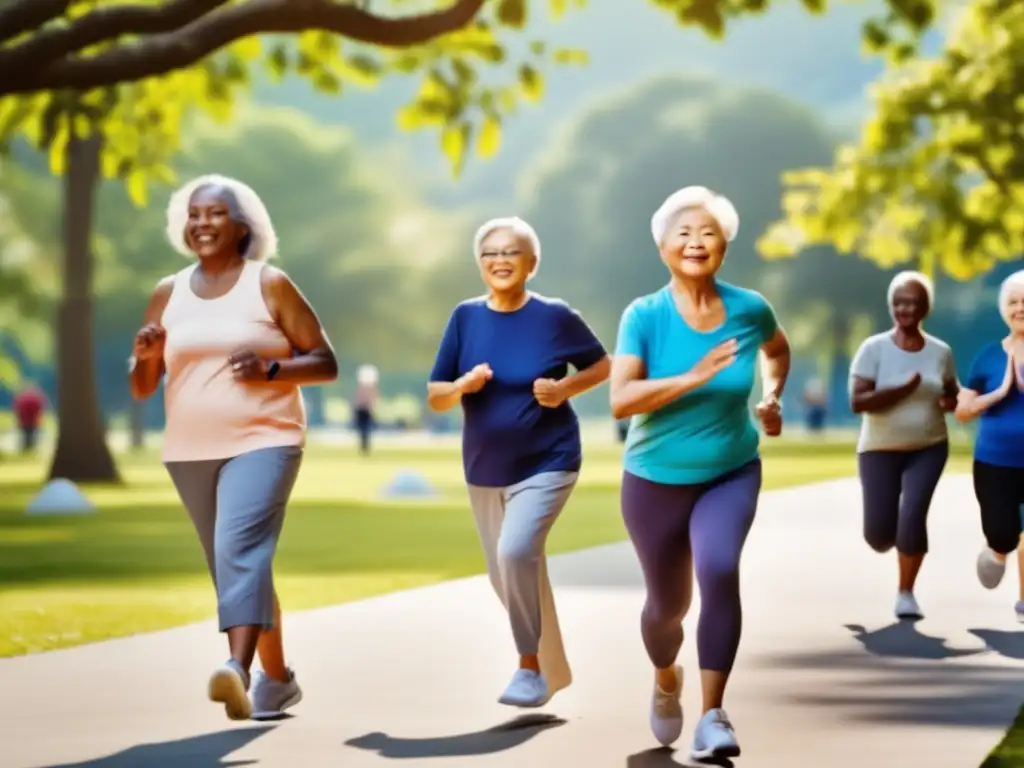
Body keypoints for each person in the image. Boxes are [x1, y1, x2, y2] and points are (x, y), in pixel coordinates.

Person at [128, 174, 338, 721]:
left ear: (242, 225)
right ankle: (279, 680)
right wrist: (148, 354)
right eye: (194, 214)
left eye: (215, 213)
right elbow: (142, 387)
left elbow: (324, 362)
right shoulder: (167, 292)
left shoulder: (269, 284)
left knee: (239, 551)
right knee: (234, 567)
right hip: (189, 449)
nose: (202, 223)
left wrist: (271, 369)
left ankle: (236, 671)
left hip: (265, 440)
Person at [609, 186, 790, 760]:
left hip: (729, 470)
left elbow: (778, 351)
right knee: (667, 611)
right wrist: (694, 374)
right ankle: (667, 677)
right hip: (654, 478)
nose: (695, 242)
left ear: (724, 246)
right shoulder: (644, 315)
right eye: (683, 233)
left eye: (708, 233)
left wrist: (773, 395)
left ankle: (713, 715)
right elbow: (621, 399)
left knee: (719, 569)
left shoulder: (750, 308)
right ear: (662, 246)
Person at [426, 216, 611, 708]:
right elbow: (435, 395)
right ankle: (554, 670)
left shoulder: (554, 316)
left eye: (512, 252)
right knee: (505, 571)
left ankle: (528, 669)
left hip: (549, 459)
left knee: (515, 553)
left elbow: (603, 364)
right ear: (479, 264)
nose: (500, 260)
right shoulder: (465, 318)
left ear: (532, 264)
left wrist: (565, 387)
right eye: (490, 253)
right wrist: (462, 386)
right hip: (484, 467)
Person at [848, 271, 958, 621]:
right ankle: (891, 537)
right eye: (898, 302)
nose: (904, 308)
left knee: (912, 515)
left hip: (928, 446)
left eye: (912, 301)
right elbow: (857, 401)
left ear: (925, 306)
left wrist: (950, 403)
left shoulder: (940, 352)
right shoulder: (873, 349)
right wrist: (900, 390)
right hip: (878, 449)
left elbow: (952, 393)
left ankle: (906, 592)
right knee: (878, 535)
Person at [956, 269, 1024, 621]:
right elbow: (962, 411)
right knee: (1004, 533)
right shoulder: (988, 357)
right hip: (995, 462)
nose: (1020, 308)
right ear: (1004, 309)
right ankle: (998, 550)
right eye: (1013, 302)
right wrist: (999, 393)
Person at [353, 364, 379, 455]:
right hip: (361, 408)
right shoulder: (363, 388)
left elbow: (373, 397)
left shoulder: (369, 388)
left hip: (366, 409)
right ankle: (363, 447)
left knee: (366, 429)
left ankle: (365, 447)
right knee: (362, 430)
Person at [13, 383, 46, 453]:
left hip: (23, 422)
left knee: (25, 438)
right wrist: (40, 421)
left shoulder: (21, 397)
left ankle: (25, 451)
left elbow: (17, 410)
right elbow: (39, 411)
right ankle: (31, 451)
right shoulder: (36, 397)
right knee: (32, 438)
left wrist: (17, 420)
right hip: (33, 422)